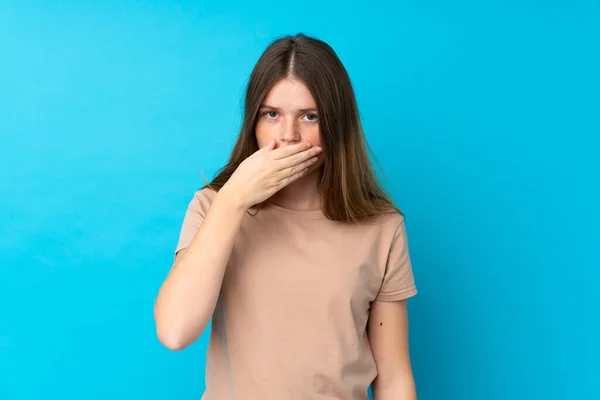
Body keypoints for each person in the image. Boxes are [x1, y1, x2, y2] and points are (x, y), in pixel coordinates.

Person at [154, 33, 418, 400]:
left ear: (337, 125)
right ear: (254, 121)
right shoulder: (212, 207)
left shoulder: (382, 227)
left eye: (309, 116)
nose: (288, 135)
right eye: (272, 114)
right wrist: (232, 203)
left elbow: (393, 377)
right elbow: (175, 331)